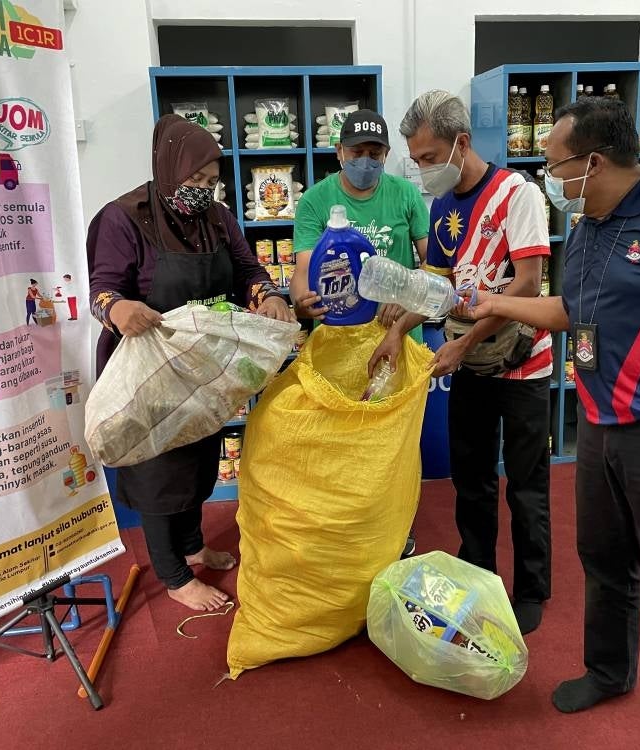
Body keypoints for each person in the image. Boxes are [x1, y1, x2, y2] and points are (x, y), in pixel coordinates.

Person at [456, 97, 640, 750]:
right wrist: (494, 301)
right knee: (605, 562)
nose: (547, 177)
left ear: (592, 161)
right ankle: (609, 671)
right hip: (599, 426)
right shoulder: (590, 226)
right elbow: (574, 311)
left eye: (552, 164)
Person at [87, 115, 293, 612]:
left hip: (200, 365)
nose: (203, 190)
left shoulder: (217, 219)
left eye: (210, 181)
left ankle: (193, 543)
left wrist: (265, 294)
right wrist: (118, 308)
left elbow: (246, 268)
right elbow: (100, 290)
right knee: (160, 468)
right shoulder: (124, 217)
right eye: (194, 180)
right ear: (166, 167)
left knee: (199, 457)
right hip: (147, 366)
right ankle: (175, 575)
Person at [369, 90, 553, 633]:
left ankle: (532, 587)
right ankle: (478, 572)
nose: (424, 171)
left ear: (461, 143)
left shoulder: (517, 196)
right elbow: (440, 283)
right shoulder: (443, 204)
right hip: (469, 366)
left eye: (430, 158)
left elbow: (528, 285)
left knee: (526, 484)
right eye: (417, 160)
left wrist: (464, 343)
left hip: (522, 365)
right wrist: (399, 330)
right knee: (471, 479)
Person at [291, 108, 429, 557]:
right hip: (338, 343)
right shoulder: (315, 200)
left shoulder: (406, 195)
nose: (365, 162)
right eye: (356, 152)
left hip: (398, 336)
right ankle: (346, 534)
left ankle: (395, 531)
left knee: (392, 447)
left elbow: (432, 264)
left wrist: (404, 290)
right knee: (342, 442)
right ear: (339, 153)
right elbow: (304, 267)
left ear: (386, 155)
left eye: (375, 153)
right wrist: (300, 298)